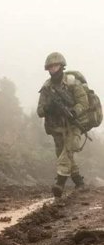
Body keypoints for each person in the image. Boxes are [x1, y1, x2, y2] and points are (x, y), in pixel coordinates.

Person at [37, 52, 89, 198]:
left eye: (56, 65)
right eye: (51, 66)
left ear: (62, 66)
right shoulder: (47, 88)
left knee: (67, 151)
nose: (53, 69)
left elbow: (83, 103)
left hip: (74, 124)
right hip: (57, 128)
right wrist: (49, 107)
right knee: (65, 155)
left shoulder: (72, 83)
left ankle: (60, 183)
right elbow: (39, 111)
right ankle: (80, 183)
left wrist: (74, 111)